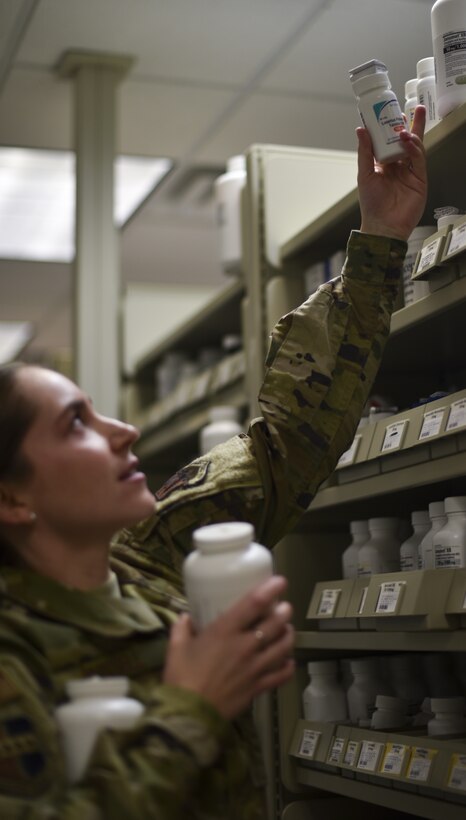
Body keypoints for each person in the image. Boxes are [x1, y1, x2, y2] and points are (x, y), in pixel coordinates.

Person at [0, 107, 426, 820]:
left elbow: (286, 442)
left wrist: (380, 238)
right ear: (12, 499)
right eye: (77, 423)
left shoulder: (151, 559)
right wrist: (193, 707)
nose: (125, 431)